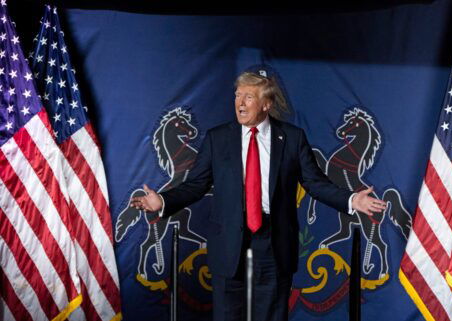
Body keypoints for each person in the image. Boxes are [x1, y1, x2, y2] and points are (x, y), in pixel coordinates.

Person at [131, 71, 386, 321]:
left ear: (266, 104)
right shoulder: (217, 139)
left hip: (273, 244)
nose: (239, 103)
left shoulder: (292, 138)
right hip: (229, 243)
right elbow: (195, 185)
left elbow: (315, 183)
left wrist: (352, 200)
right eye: (237, 95)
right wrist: (162, 201)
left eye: (248, 97)